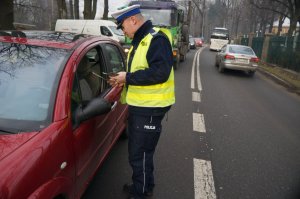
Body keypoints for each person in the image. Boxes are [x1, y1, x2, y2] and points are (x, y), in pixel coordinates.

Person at [109, 4, 175, 199]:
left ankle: (141, 192)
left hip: (151, 108)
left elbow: (160, 73)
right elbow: (143, 70)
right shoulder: (141, 40)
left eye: (122, 26)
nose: (122, 30)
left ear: (133, 20)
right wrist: (123, 79)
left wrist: (127, 78)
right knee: (141, 153)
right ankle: (144, 184)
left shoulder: (156, 39)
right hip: (143, 107)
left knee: (140, 154)